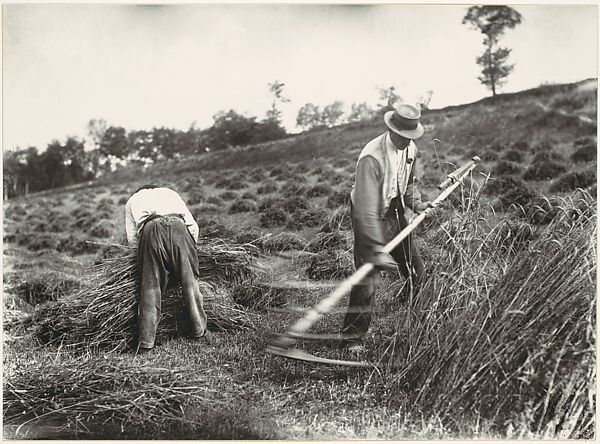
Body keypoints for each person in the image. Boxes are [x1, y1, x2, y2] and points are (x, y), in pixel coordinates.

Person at [341, 103, 435, 353]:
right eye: (403, 136)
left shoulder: (411, 149)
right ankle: (353, 337)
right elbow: (366, 210)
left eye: (411, 137)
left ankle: (421, 322)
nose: (407, 141)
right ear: (392, 130)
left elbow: (409, 183)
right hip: (367, 213)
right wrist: (374, 246)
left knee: (416, 269)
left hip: (394, 209)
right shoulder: (372, 157)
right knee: (367, 277)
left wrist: (418, 203)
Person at [125, 184, 207, 353]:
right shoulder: (170, 192)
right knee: (190, 281)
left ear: (139, 191)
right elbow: (193, 226)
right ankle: (199, 331)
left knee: (150, 287)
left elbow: (132, 239)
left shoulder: (132, 201)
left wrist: (143, 260)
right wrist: (189, 253)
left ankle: (146, 343)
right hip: (179, 226)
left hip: (151, 229)